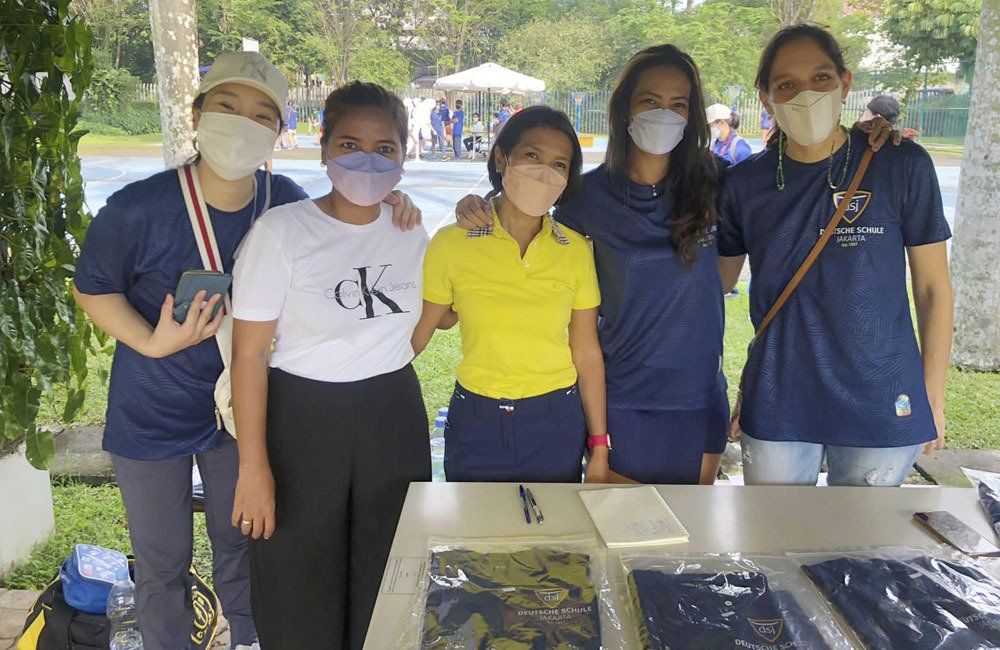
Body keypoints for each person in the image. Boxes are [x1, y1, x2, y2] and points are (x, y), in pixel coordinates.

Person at [72, 51, 302, 650]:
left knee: (242, 542)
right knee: (161, 561)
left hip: (242, 409)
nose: (242, 123)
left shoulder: (288, 202)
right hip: (151, 407)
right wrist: (151, 341)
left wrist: (398, 206)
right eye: (227, 106)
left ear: (279, 132)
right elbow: (92, 288)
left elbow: (341, 242)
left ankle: (248, 639)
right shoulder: (139, 207)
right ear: (197, 114)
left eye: (262, 115)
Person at [230, 82, 438, 649]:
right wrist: (253, 467)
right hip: (302, 420)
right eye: (350, 144)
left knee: (388, 573)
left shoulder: (409, 229)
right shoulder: (281, 232)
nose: (367, 160)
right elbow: (249, 355)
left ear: (404, 154)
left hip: (391, 415)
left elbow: (427, 319)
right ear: (323, 149)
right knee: (297, 577)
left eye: (384, 148)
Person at [718, 24, 953, 487]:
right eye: (787, 84)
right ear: (766, 98)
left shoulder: (901, 164)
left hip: (882, 393)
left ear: (845, 84)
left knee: (864, 533)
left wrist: (934, 394)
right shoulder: (743, 183)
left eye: (821, 78)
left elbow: (932, 288)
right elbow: (716, 286)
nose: (806, 95)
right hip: (780, 393)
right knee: (777, 528)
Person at [413, 106, 608, 484]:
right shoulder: (452, 243)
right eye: (532, 155)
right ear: (502, 158)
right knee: (476, 521)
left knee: (553, 522)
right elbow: (421, 332)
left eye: (559, 164)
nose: (544, 172)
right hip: (477, 418)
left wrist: (599, 444)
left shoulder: (575, 250)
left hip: (555, 417)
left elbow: (585, 351)